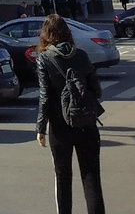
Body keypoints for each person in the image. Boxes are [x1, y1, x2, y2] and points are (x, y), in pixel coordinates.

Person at [35, 13, 106, 214]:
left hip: (60, 127)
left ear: (46, 34)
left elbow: (45, 97)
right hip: (87, 124)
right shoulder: (82, 55)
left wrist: (40, 128)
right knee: (91, 177)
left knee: (63, 178)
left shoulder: (44, 59)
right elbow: (97, 90)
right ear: (67, 32)